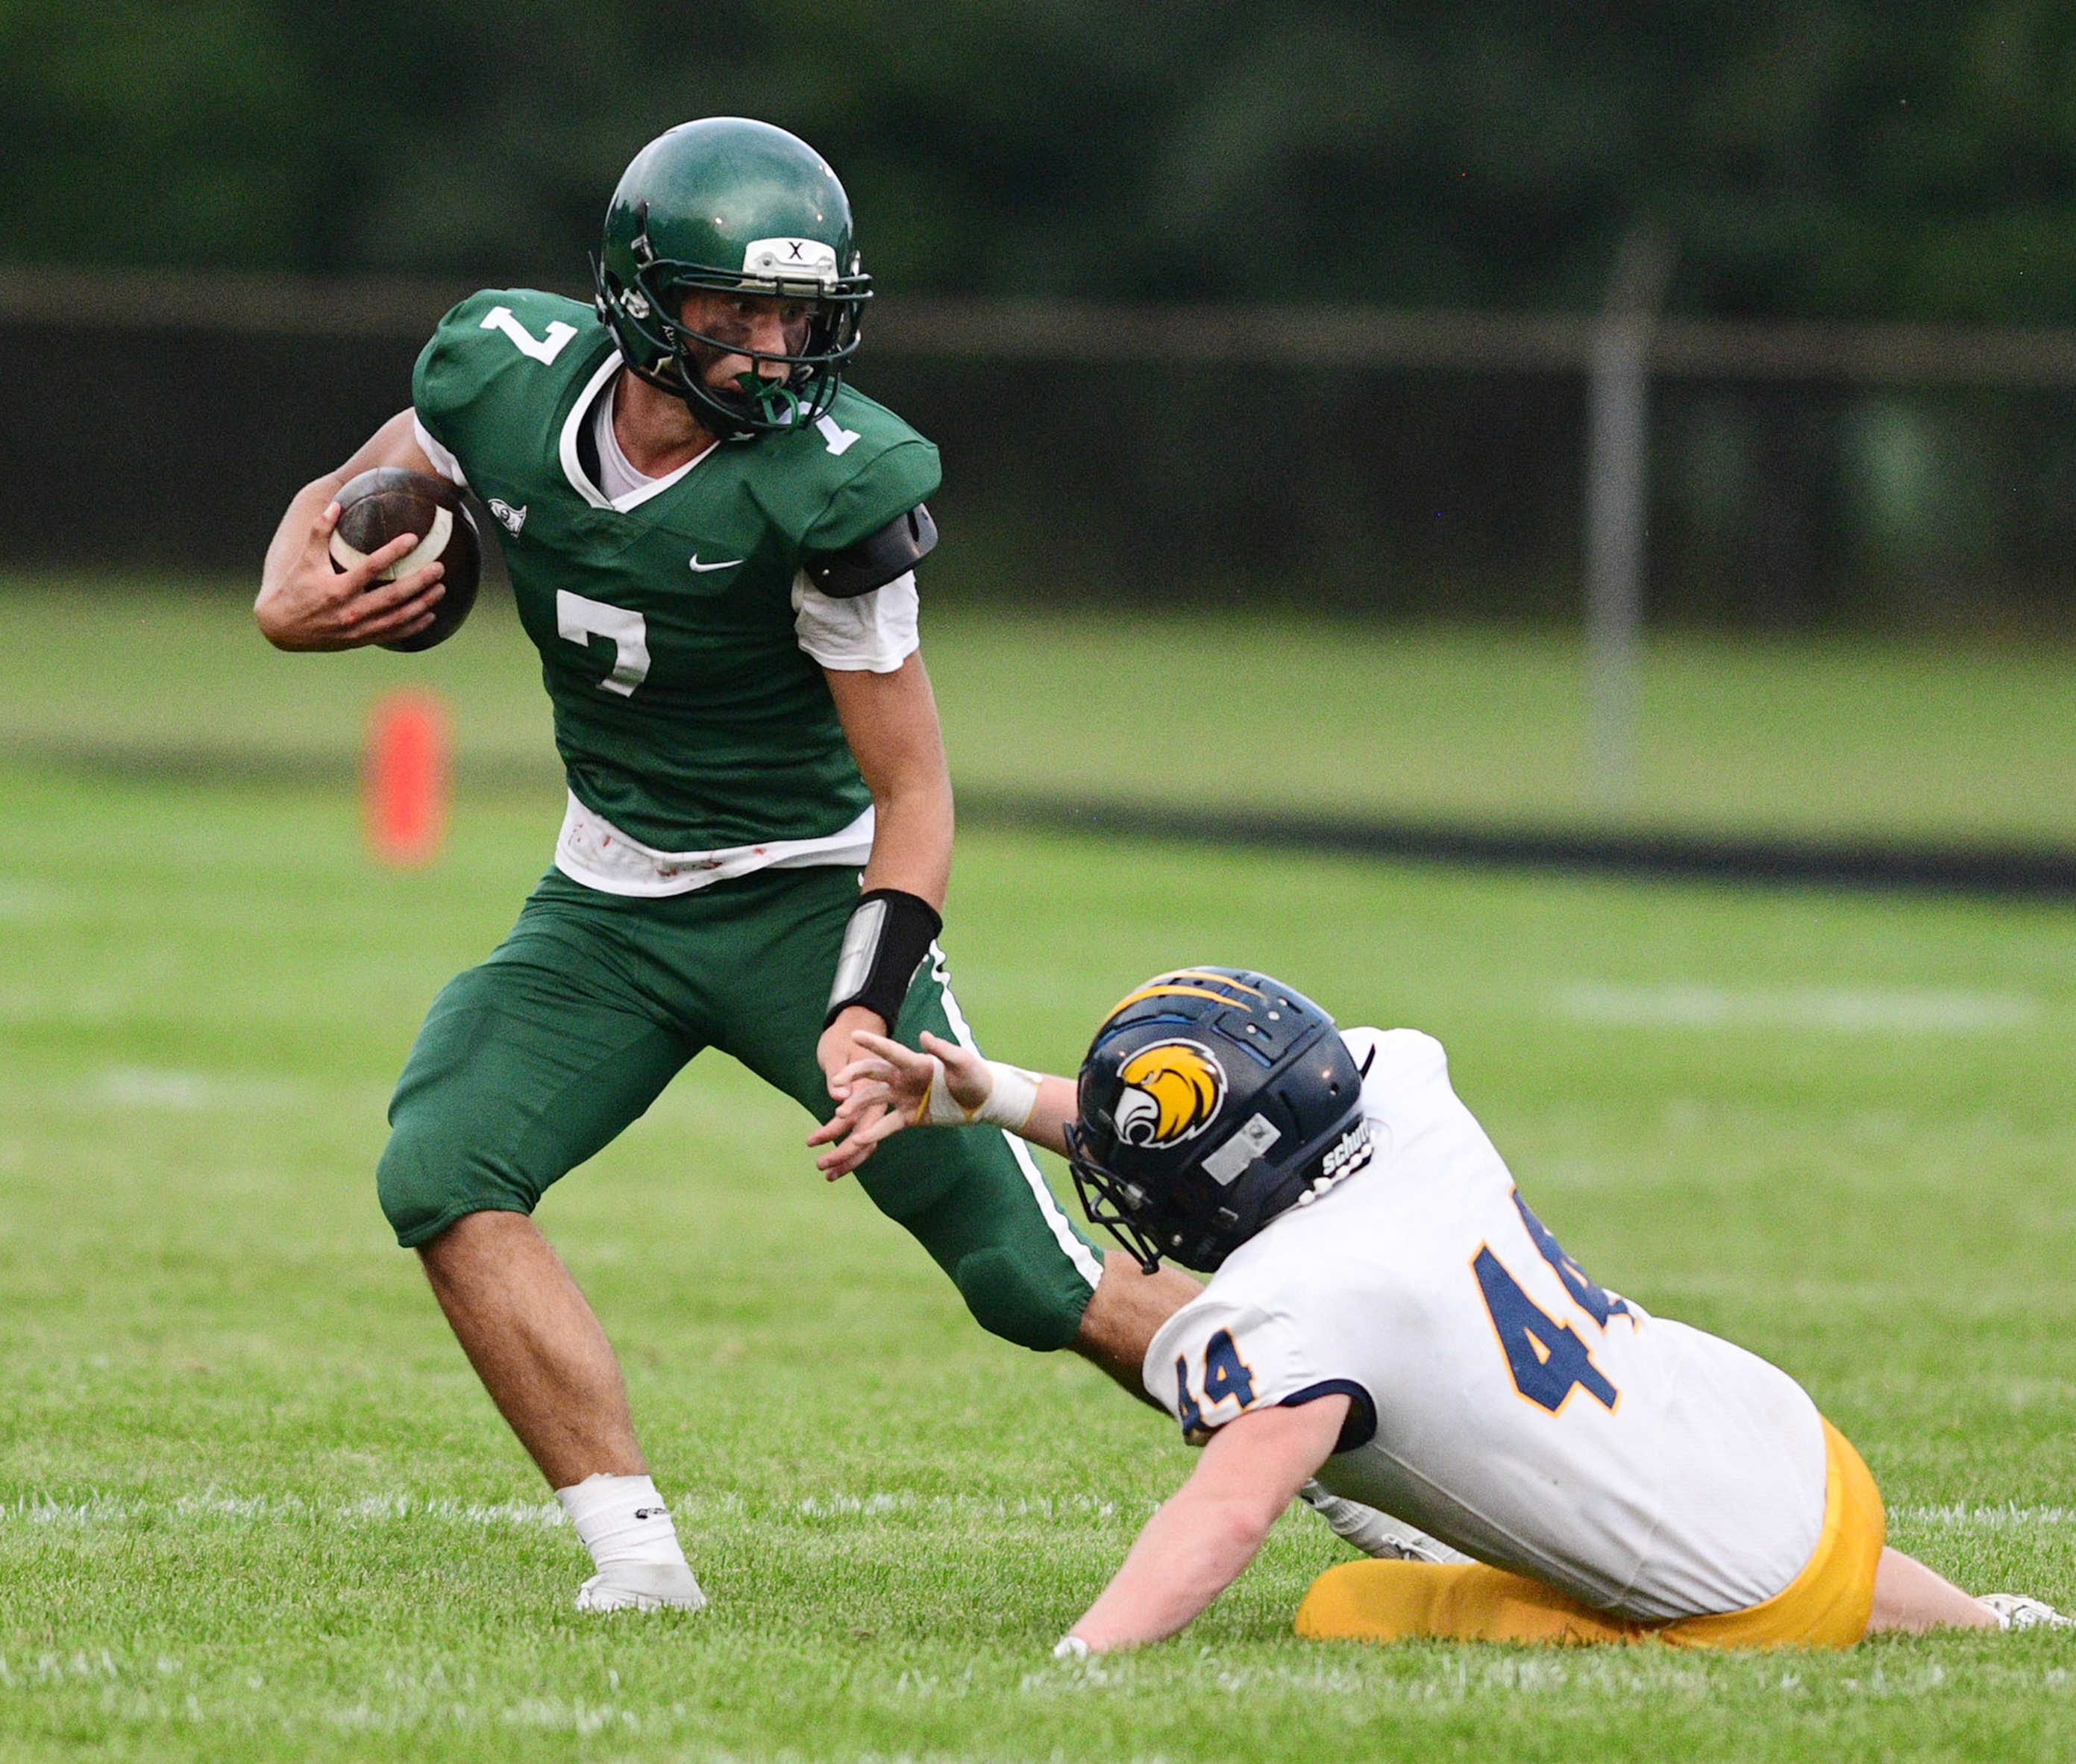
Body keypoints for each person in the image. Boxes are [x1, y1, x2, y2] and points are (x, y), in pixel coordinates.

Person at [255, 119, 1435, 1613]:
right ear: (637, 300)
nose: (769, 347)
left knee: (1030, 1277)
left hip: (806, 897)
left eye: (794, 314)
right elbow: (359, 489)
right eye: (730, 311)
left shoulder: (831, 490)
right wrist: (286, 592)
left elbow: (915, 792)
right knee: (442, 1165)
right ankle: (635, 1560)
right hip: (606, 898)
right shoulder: (498, 371)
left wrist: (864, 1002)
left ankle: (1362, 1457)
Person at [811, 966, 2076, 1651]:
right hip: (1783, 1444)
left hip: (1742, 1603)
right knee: (1722, 1505)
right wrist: (991, 1094)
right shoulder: (1401, 1094)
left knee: (1338, 1605)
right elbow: (1232, 1125)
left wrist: (1081, 1661)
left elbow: (1230, 1509)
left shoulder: (1303, 1299)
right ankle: (1984, 1620)